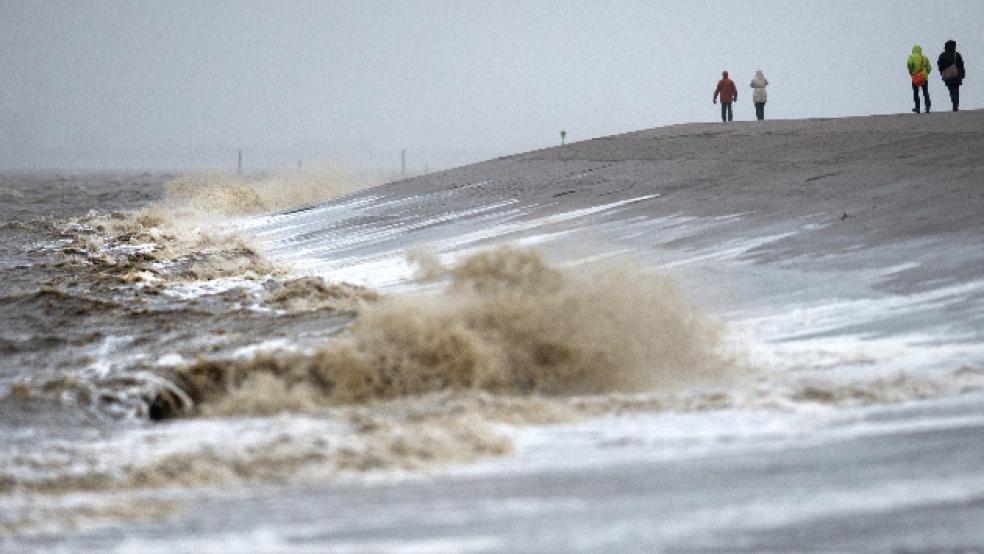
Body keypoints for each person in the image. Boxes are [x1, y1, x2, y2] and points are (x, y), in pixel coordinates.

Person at [937, 40, 966, 112]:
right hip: (957, 75)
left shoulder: (943, 55)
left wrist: (942, 72)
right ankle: (956, 104)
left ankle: (954, 104)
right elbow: (961, 66)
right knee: (956, 90)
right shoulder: (957, 54)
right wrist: (963, 74)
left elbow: (940, 66)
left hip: (948, 76)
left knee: (952, 90)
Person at [907, 44, 932, 113]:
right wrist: (925, 73)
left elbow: (909, 63)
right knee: (925, 92)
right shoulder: (924, 58)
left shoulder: (911, 57)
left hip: (915, 77)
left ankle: (917, 107)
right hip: (924, 77)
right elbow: (929, 68)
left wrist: (911, 71)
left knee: (915, 92)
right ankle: (927, 106)